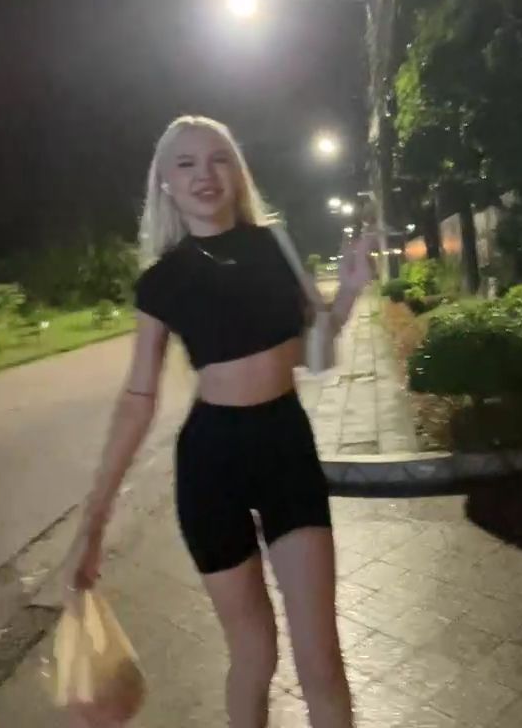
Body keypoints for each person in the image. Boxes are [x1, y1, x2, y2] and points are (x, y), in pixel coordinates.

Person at [64, 115, 373, 728]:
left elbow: (315, 348)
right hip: (211, 463)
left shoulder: (274, 247)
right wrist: (93, 522)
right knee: (254, 656)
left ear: (237, 172)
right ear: (165, 184)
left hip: (285, 446)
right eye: (186, 164)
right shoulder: (162, 281)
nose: (204, 174)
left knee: (321, 659)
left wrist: (350, 292)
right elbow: (138, 398)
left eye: (218, 159)